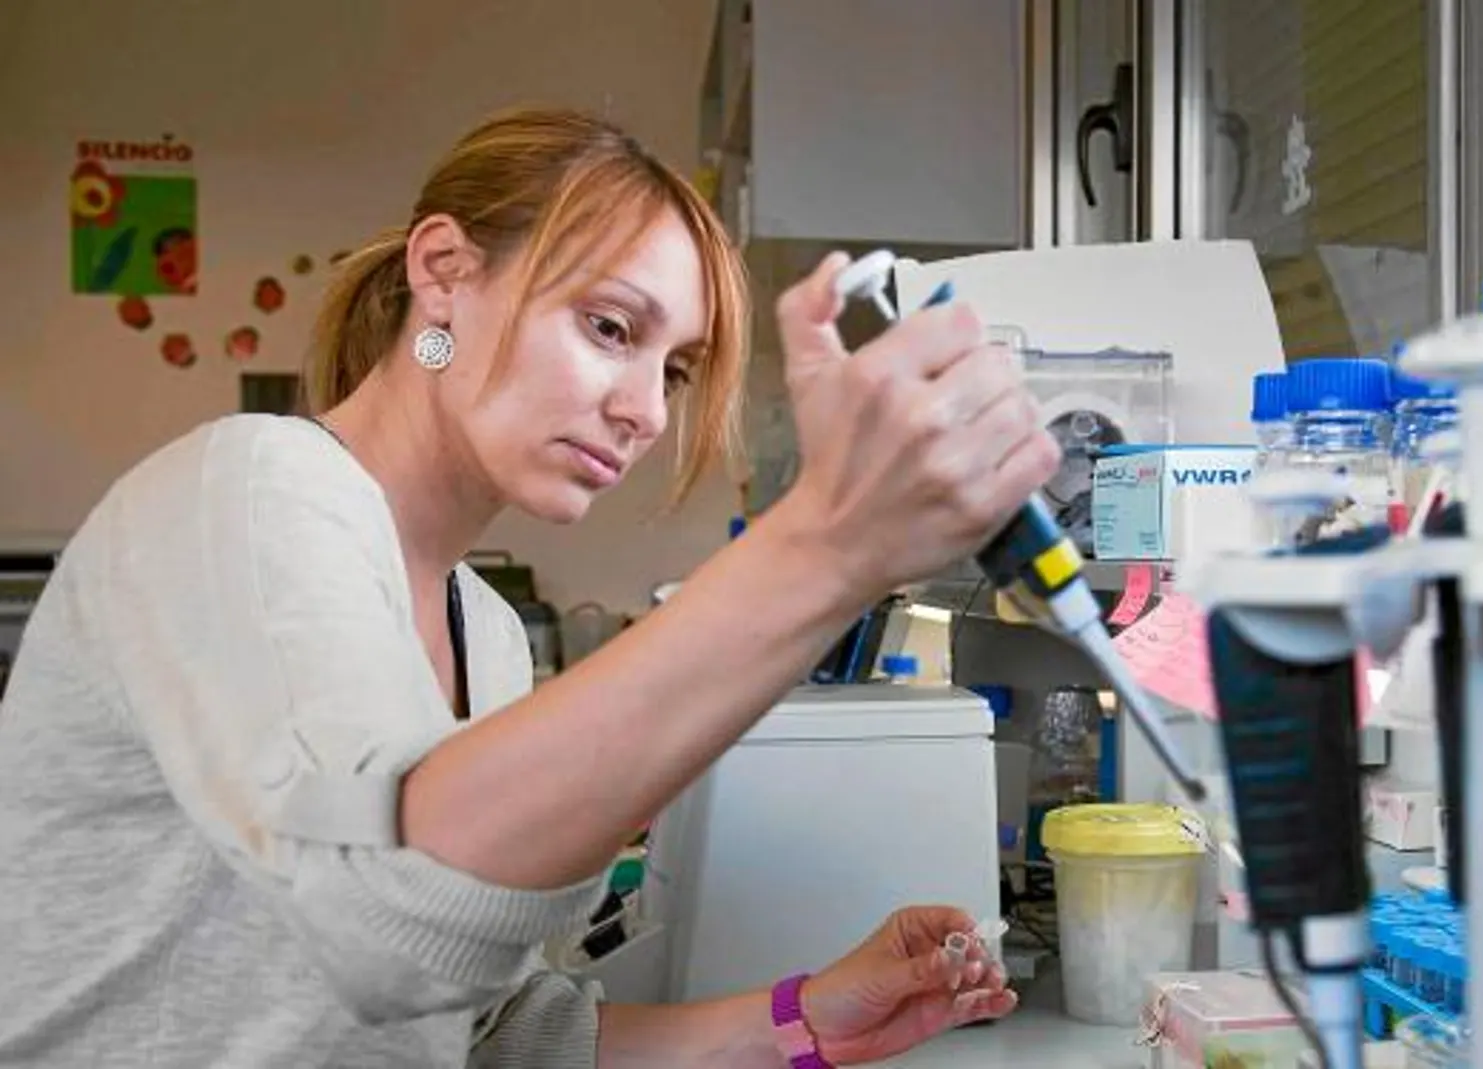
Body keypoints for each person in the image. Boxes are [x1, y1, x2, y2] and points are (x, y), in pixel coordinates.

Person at [0, 107, 1058, 1067]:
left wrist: (806, 1017)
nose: (645, 410)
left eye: (675, 369)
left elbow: (495, 1037)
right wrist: (826, 549)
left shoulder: (492, 635)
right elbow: (390, 916)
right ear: (444, 270)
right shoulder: (244, 489)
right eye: (610, 328)